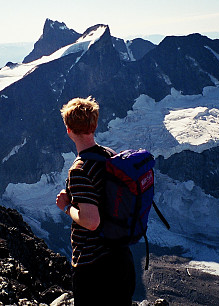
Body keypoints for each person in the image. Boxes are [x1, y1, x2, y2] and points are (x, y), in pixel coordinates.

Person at [56, 96, 135, 306]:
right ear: (95, 124)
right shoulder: (110, 156)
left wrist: (66, 207)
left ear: (68, 129)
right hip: (121, 258)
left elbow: (91, 221)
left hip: (94, 266)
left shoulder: (80, 170)